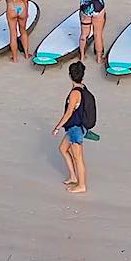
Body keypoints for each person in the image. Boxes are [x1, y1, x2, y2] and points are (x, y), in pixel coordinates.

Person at [52, 61, 90, 194]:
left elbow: (68, 113)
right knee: (63, 149)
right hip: (73, 128)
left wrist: (57, 127)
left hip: (75, 129)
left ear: (70, 75)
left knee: (78, 158)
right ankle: (73, 177)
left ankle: (82, 185)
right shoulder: (83, 88)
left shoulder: (75, 93)